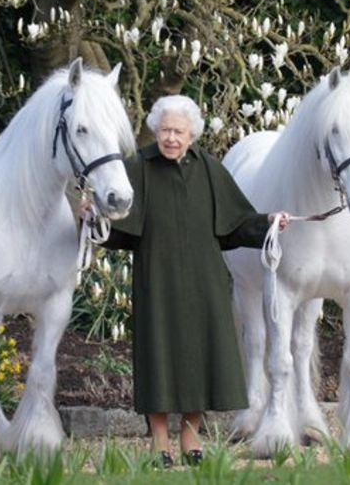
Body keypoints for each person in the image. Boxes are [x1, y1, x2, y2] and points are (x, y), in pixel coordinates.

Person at [101, 95, 289, 468]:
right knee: (158, 357)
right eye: (166, 130)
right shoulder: (137, 166)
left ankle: (190, 435)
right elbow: (116, 226)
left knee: (201, 357)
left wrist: (269, 222)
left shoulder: (210, 169)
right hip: (156, 279)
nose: (171, 138)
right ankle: (159, 441)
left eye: (179, 132)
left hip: (205, 283)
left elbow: (236, 224)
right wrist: (93, 217)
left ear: (192, 135)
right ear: (156, 130)